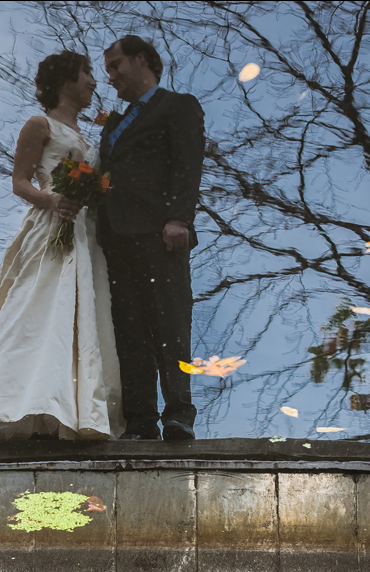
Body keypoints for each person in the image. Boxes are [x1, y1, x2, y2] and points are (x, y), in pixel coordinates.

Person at [0, 51, 125, 442]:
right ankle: (26, 403)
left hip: (85, 232)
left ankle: (72, 407)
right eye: (87, 74)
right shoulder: (39, 124)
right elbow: (20, 181)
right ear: (65, 80)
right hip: (52, 225)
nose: (94, 83)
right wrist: (51, 200)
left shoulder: (89, 137)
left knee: (80, 315)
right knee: (40, 310)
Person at [99, 35, 205, 440]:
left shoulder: (177, 106)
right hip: (116, 239)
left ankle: (179, 412)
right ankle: (140, 419)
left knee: (170, 323)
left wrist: (179, 217)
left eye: (115, 66)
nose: (111, 77)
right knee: (128, 329)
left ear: (140, 60)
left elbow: (187, 162)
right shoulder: (113, 125)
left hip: (161, 234)